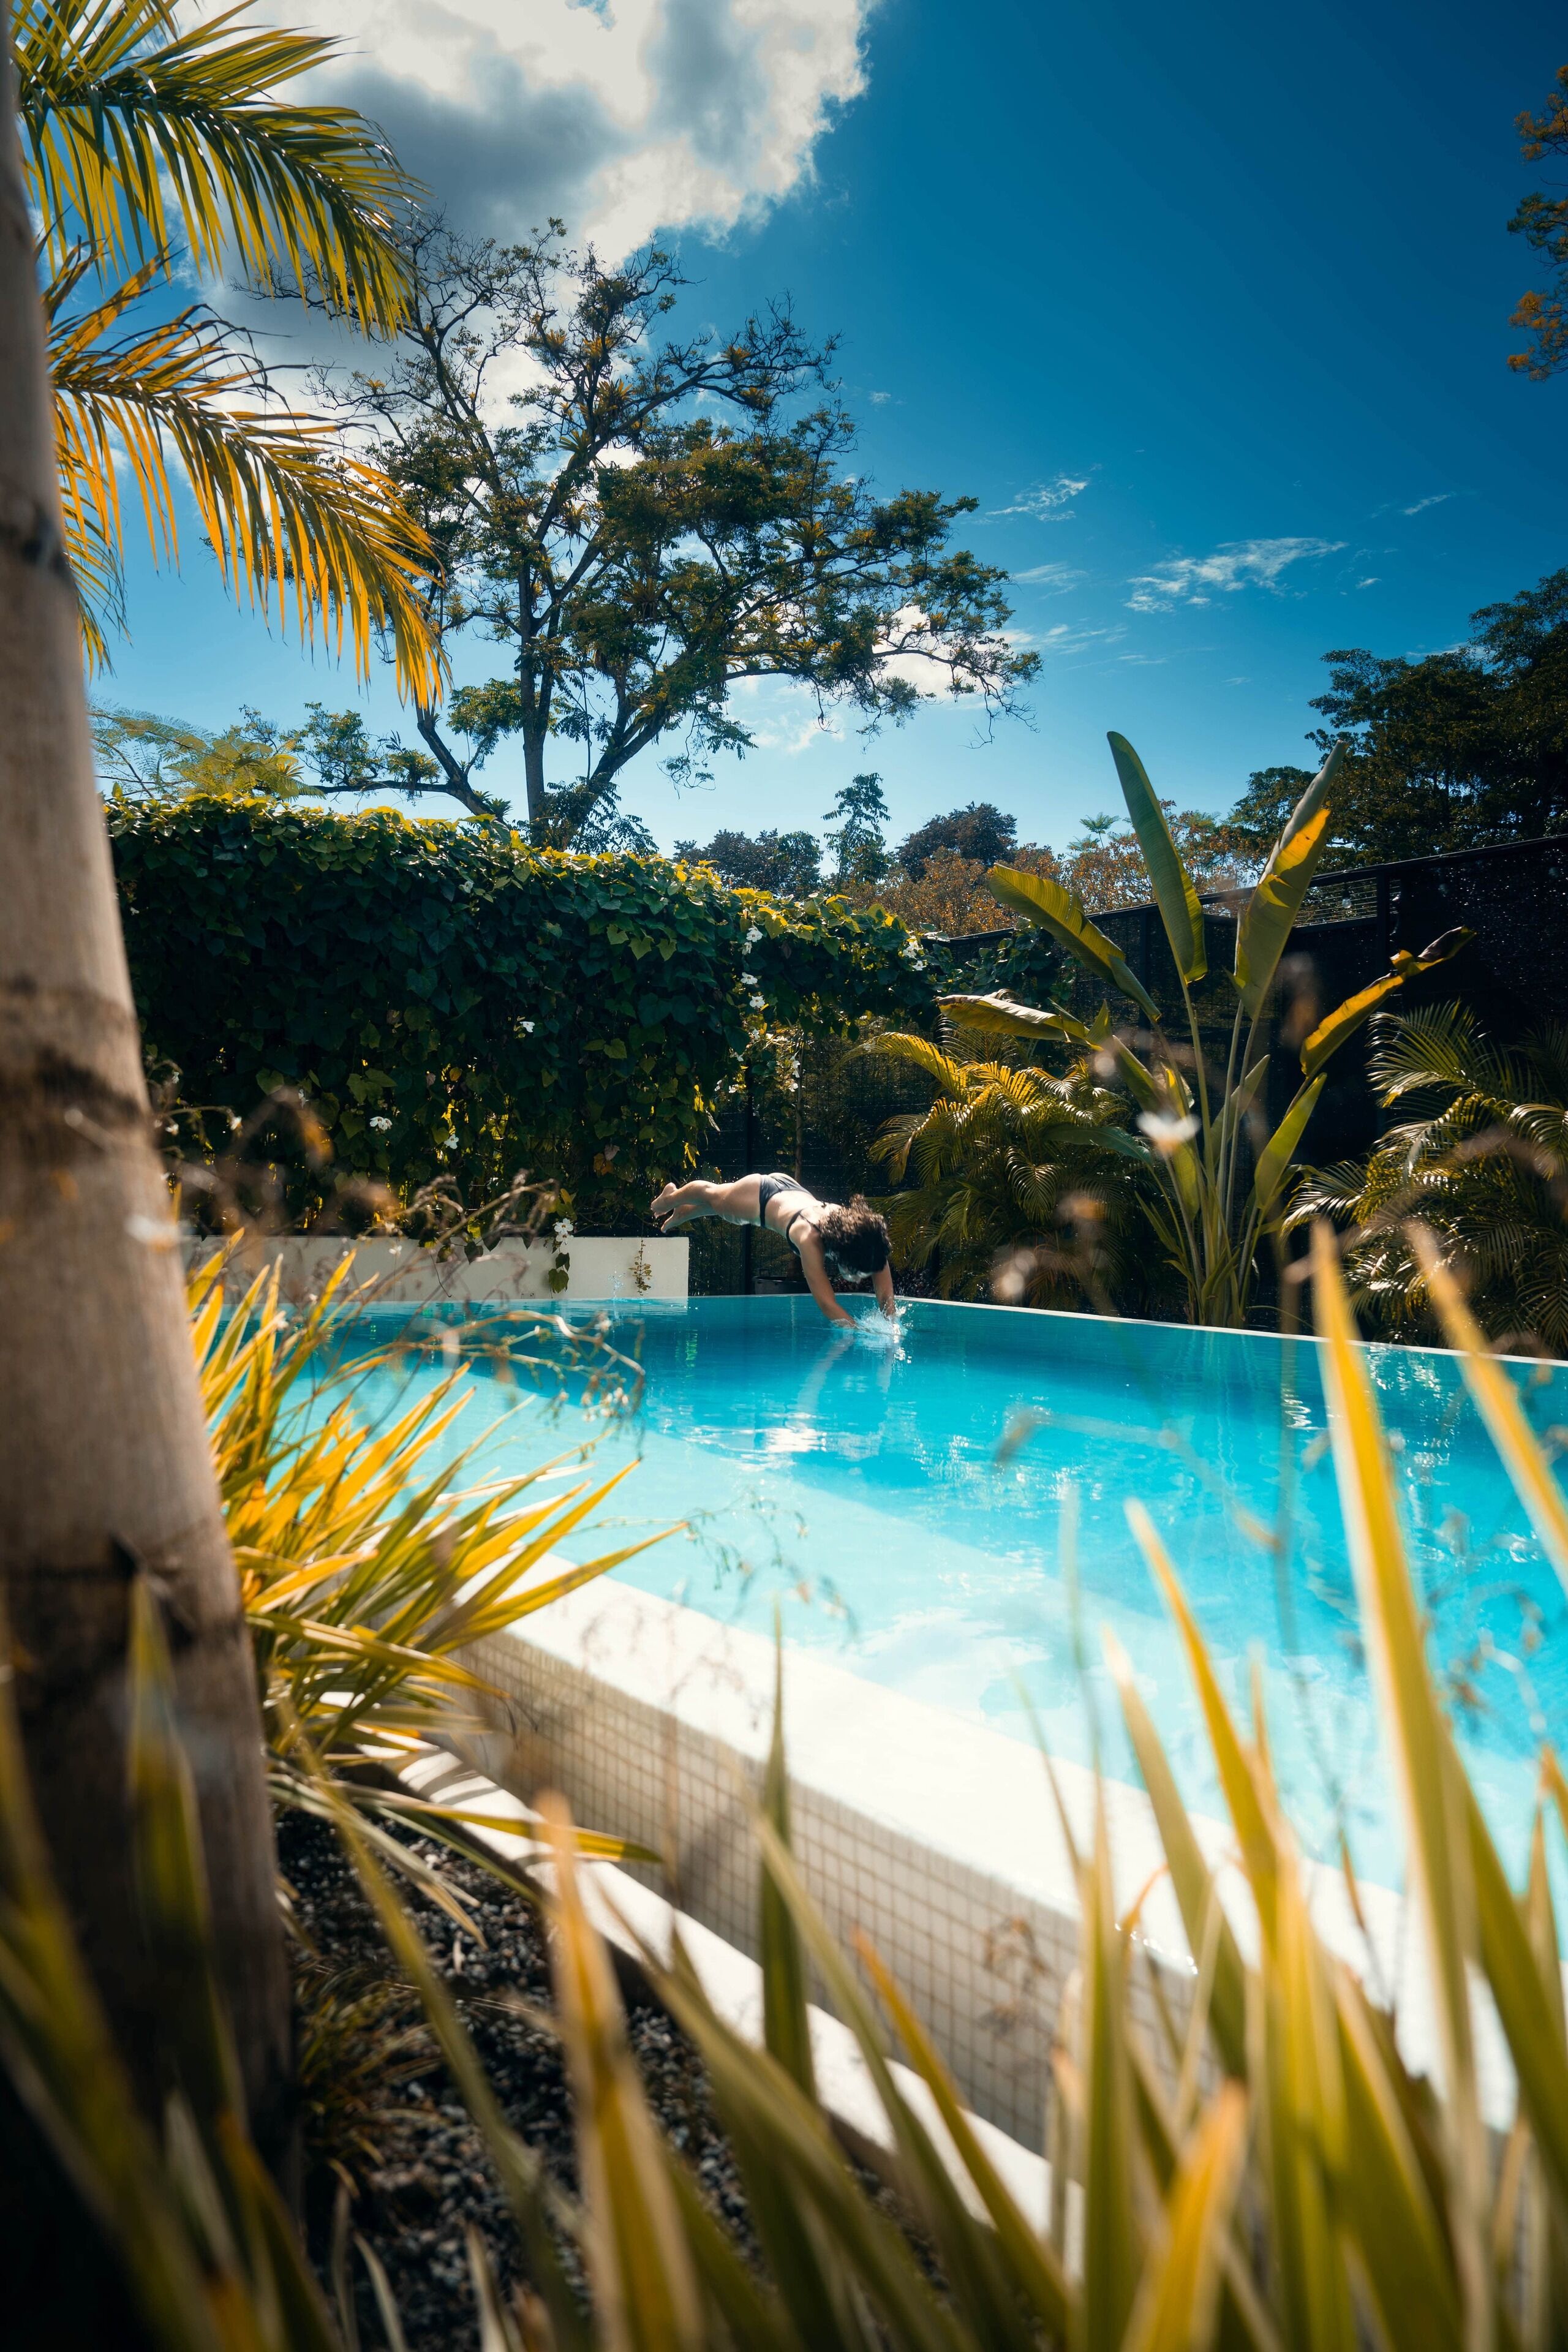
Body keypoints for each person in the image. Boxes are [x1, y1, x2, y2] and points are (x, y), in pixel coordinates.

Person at [650, 1172, 895, 1329]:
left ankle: (686, 1211)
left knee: (721, 1203)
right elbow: (828, 1304)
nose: (862, 1276)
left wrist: (890, 1326)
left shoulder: (867, 1237)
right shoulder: (808, 1238)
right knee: (714, 1196)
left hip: (792, 1191)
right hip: (762, 1196)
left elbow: (885, 1290)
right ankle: (671, 1198)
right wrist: (865, 1334)